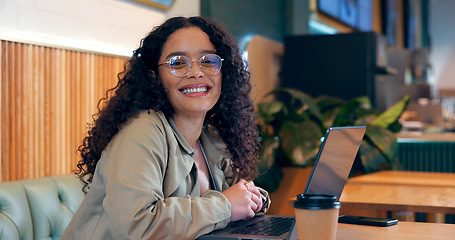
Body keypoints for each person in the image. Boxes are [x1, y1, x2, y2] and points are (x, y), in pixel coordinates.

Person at [62, 16, 270, 240]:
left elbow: (233, 194)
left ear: (223, 73)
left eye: (208, 61)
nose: (196, 72)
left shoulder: (209, 136)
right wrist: (226, 206)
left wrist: (252, 198)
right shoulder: (141, 132)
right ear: (155, 77)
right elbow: (136, 226)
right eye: (178, 63)